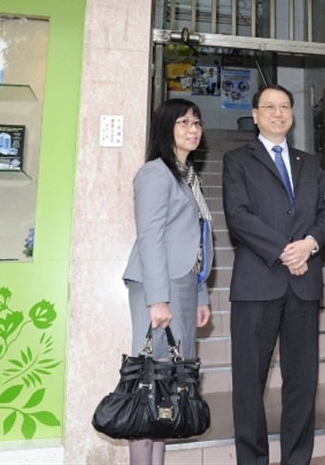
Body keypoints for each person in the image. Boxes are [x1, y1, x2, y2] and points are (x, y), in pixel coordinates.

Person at [222, 84, 325, 465]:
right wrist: (286, 250)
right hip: (257, 283)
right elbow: (238, 216)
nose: (278, 113)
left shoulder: (310, 162)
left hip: (304, 284)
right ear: (255, 115)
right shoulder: (237, 160)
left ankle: (296, 459)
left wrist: (310, 245)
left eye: (285, 106)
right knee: (250, 383)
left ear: (292, 114)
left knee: (302, 383)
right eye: (269, 107)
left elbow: (322, 216)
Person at [122, 98, 213, 465]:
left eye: (197, 122)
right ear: (165, 128)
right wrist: (158, 299)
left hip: (184, 285)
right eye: (183, 123)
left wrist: (201, 291)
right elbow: (150, 237)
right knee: (148, 383)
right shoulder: (155, 173)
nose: (193, 129)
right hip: (158, 286)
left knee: (168, 387)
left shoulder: (187, 175)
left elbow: (196, 241)